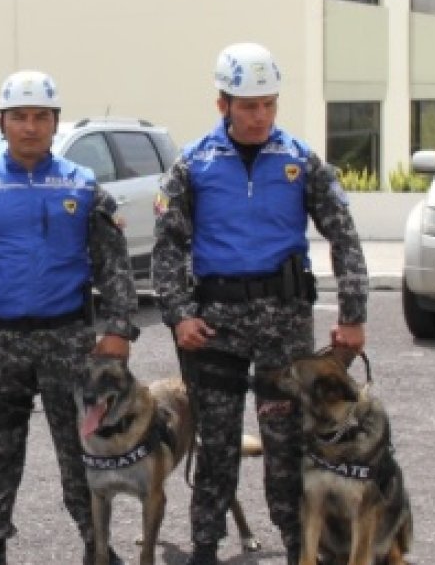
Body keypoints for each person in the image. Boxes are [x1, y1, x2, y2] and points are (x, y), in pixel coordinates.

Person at [152, 42, 369, 565]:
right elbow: (167, 248)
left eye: (269, 104)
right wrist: (180, 315)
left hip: (284, 326)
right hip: (216, 329)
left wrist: (353, 316)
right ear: (222, 104)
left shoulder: (299, 160)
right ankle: (205, 547)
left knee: (286, 448)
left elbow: (344, 236)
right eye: (249, 106)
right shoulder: (193, 164)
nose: (260, 116)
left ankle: (301, 548)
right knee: (217, 447)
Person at [0, 70, 139, 565]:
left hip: (68, 339)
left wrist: (120, 328)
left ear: (55, 123)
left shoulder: (81, 185)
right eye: (19, 116)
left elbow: (113, 262)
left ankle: (97, 544)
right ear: (1, 122)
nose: (30, 126)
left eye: (41, 116)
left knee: (82, 447)